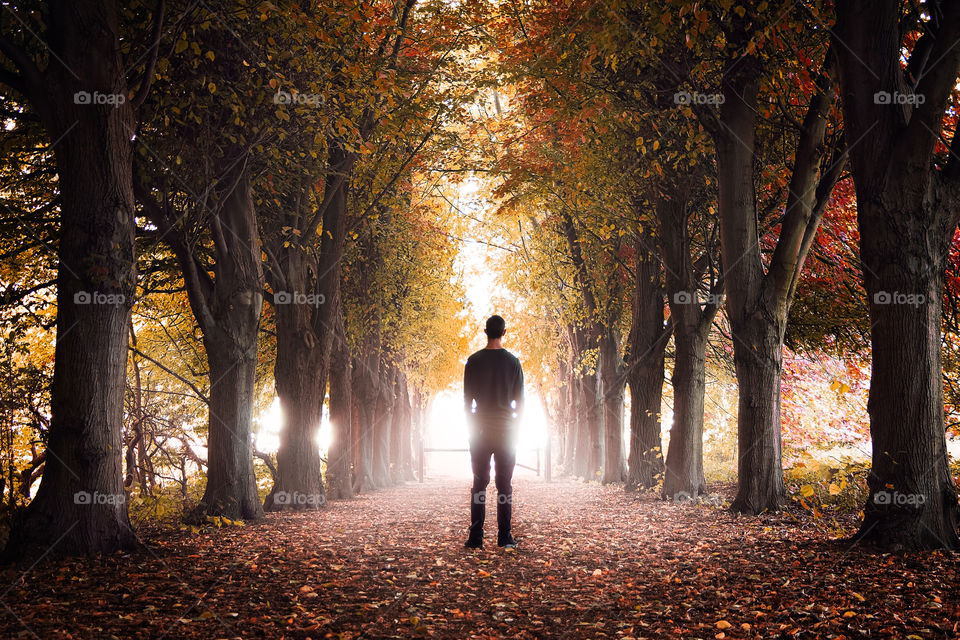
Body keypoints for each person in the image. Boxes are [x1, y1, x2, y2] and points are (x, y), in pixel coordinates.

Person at [462, 314, 524, 549]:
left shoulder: (473, 361)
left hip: (480, 432)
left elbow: (468, 402)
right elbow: (521, 402)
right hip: (506, 432)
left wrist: (473, 427)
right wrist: (513, 426)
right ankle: (504, 536)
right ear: (504, 332)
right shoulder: (513, 363)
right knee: (504, 485)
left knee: (479, 483)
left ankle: (476, 537)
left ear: (485, 331)